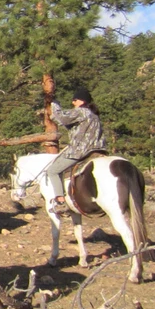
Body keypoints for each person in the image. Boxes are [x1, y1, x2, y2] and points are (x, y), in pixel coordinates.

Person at [45, 86, 107, 214]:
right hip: (98, 150)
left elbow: (61, 116)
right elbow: (64, 121)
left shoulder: (81, 112)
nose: (73, 102)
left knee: (52, 171)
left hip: (80, 151)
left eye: (75, 100)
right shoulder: (93, 115)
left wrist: (54, 103)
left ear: (82, 101)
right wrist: (52, 116)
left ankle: (60, 202)